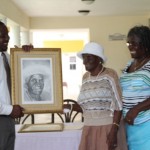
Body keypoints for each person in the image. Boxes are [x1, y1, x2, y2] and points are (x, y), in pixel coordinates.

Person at [77, 42, 127, 150]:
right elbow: (87, 105)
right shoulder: (85, 77)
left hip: (107, 129)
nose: (85, 61)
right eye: (84, 58)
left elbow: (119, 105)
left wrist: (114, 130)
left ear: (99, 58)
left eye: (88, 57)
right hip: (88, 128)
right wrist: (69, 107)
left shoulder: (110, 74)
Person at [0, 21, 33, 150]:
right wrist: (10, 110)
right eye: (2, 35)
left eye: (7, 34)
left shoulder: (8, 58)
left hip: (9, 120)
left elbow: (24, 78)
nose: (7, 38)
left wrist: (27, 55)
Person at [120, 25, 150, 150]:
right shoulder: (129, 64)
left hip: (146, 123)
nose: (130, 47)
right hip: (129, 123)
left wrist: (135, 109)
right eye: (128, 43)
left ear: (146, 44)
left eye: (134, 43)